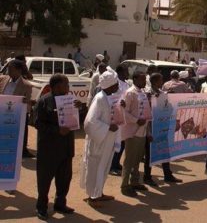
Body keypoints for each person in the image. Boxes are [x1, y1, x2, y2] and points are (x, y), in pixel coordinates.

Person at [35, 74, 79, 220]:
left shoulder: (69, 100)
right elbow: (37, 123)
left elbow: (76, 121)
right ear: (56, 86)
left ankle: (60, 203)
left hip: (66, 149)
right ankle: (41, 207)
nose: (68, 88)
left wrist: (80, 108)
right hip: (49, 149)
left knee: (64, 179)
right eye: (66, 85)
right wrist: (57, 130)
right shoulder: (44, 101)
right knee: (44, 180)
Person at [80, 70, 120, 207]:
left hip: (107, 141)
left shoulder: (110, 97)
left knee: (104, 167)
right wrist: (108, 128)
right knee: (94, 167)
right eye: (116, 83)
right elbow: (89, 123)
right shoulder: (100, 98)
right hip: (99, 141)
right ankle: (92, 196)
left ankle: (99, 192)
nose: (117, 86)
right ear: (110, 85)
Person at [143, 73, 183, 185]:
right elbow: (146, 109)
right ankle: (147, 176)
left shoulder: (161, 93)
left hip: (163, 127)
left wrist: (168, 96)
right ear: (155, 81)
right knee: (150, 154)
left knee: (165, 151)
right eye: (160, 80)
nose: (162, 82)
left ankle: (167, 174)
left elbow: (167, 105)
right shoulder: (148, 93)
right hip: (152, 128)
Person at [120, 71, 151, 197]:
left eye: (145, 79)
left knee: (138, 159)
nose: (144, 82)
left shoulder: (142, 93)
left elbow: (147, 112)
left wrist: (148, 131)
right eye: (142, 80)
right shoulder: (130, 93)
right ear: (135, 80)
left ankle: (134, 182)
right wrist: (136, 120)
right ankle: (124, 185)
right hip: (132, 131)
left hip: (142, 131)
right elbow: (124, 112)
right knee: (129, 160)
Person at [0, 60, 33, 158]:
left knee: (17, 133)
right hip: (2, 112)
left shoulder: (26, 85)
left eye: (11, 69)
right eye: (8, 69)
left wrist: (26, 102)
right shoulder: (2, 79)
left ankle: (20, 151)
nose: (8, 72)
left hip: (15, 115)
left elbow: (29, 103)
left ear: (19, 70)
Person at [109, 65, 130, 176]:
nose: (128, 73)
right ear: (121, 71)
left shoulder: (126, 84)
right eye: (126, 70)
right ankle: (111, 166)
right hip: (115, 117)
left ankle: (116, 163)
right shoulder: (114, 83)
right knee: (115, 142)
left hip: (124, 117)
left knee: (122, 142)